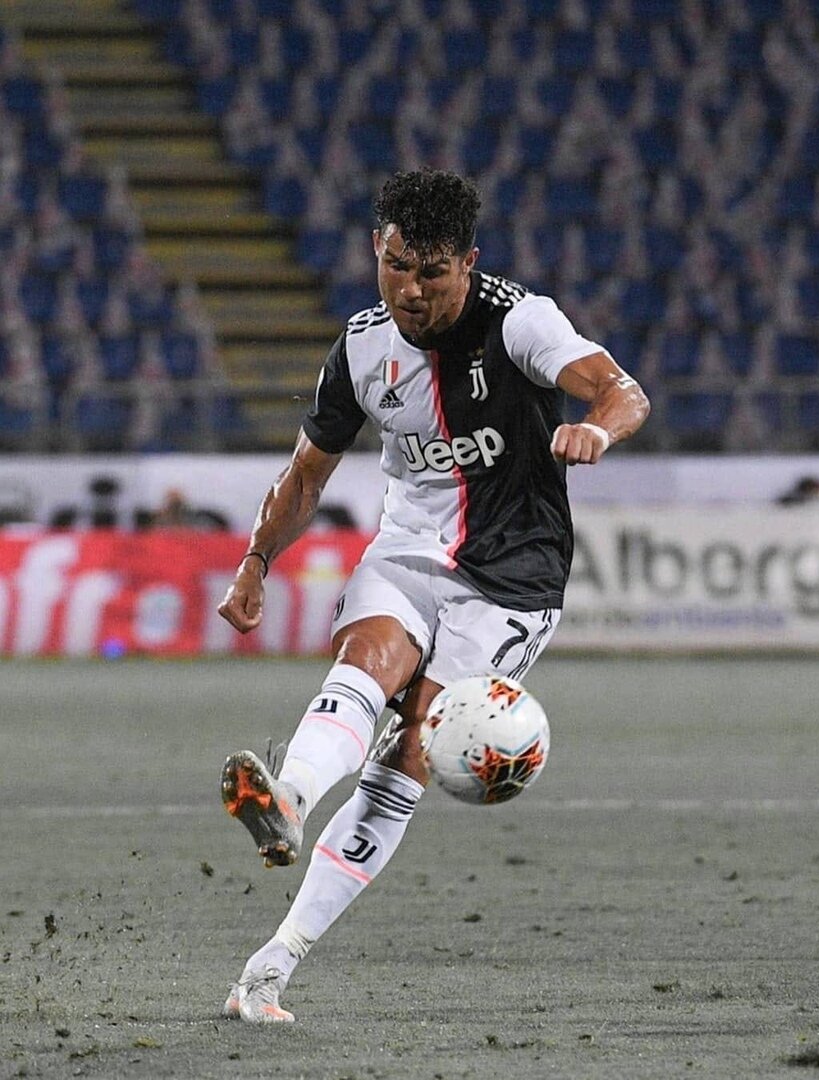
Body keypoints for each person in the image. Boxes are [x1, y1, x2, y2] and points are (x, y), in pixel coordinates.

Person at [217, 168, 650, 1023]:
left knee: (412, 747)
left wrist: (597, 427)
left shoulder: (521, 321)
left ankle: (274, 962)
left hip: (512, 582)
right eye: (395, 266)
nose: (410, 291)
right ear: (375, 252)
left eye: (432, 272)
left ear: (469, 264)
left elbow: (620, 389)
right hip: (411, 549)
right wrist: (257, 559)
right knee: (365, 660)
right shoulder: (361, 347)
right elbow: (306, 475)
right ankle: (290, 799)